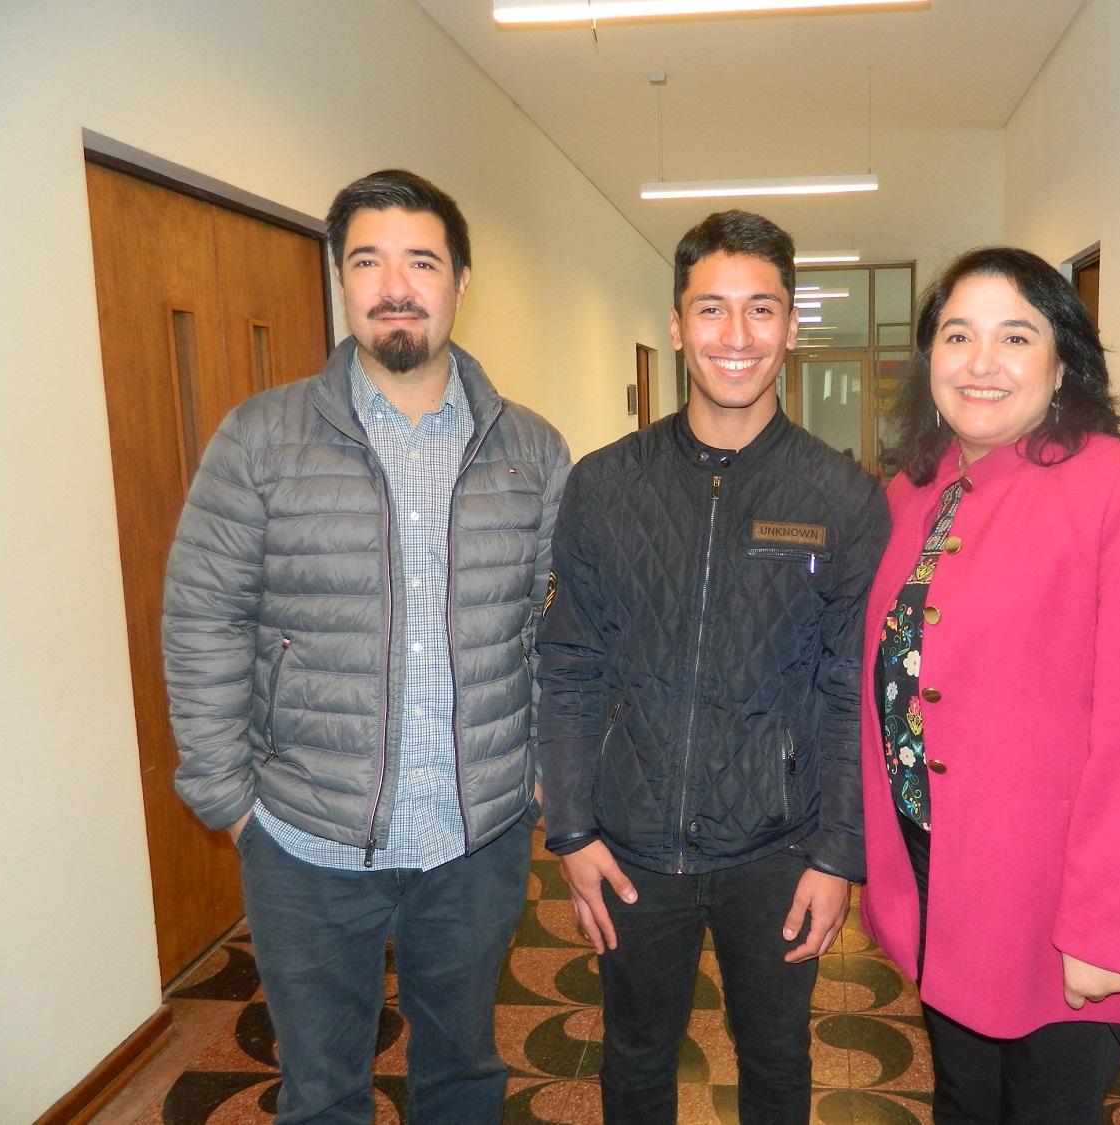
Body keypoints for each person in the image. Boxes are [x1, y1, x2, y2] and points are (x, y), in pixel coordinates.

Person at [162, 169, 569, 1123]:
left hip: (478, 838)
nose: (395, 283)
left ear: (461, 280)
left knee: (464, 1074)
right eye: (368, 260)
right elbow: (203, 614)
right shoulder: (261, 441)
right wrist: (230, 799)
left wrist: (543, 770)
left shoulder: (531, 452)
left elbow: (562, 629)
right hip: (304, 840)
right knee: (323, 1092)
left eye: (421, 260)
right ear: (340, 279)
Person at [536, 210, 890, 1123]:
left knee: (775, 1056)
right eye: (712, 310)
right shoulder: (606, 483)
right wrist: (571, 830)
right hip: (631, 845)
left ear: (791, 325)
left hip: (778, 848)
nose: (737, 338)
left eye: (761, 310)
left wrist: (838, 854)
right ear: (677, 323)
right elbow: (570, 660)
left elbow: (850, 690)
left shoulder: (841, 497)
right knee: (638, 1052)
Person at [860, 247, 1120, 1122]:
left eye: (1015, 336)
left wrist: (1107, 928)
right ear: (928, 359)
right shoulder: (913, 494)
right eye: (957, 335)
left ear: (1063, 361)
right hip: (945, 875)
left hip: (1054, 896)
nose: (981, 363)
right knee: (964, 1101)